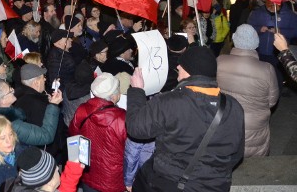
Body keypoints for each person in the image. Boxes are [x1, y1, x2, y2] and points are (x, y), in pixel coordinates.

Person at [127, 46, 245, 192]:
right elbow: (237, 154)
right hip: (216, 186)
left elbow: (135, 128)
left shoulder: (168, 102)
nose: (177, 66)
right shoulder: (234, 106)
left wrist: (137, 91)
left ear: (190, 71)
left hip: (172, 183)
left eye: (181, 65)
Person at [217, 24, 279, 157]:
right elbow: (272, 101)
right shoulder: (267, 69)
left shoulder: (220, 61)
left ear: (234, 39)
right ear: (256, 43)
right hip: (254, 125)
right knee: (254, 166)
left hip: (225, 119)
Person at [69, 73, 126, 192]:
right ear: (114, 96)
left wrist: (75, 169)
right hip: (113, 180)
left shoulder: (82, 109)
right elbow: (130, 151)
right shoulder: (122, 118)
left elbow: (73, 138)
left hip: (88, 174)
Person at [0, 80, 62, 147]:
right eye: (10, 90)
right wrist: (53, 105)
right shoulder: (11, 125)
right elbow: (46, 136)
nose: (13, 90)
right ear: (2, 100)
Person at [6, 147, 84, 192]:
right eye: (55, 170)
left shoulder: (16, 186)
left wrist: (73, 170)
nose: (57, 168)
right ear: (50, 184)